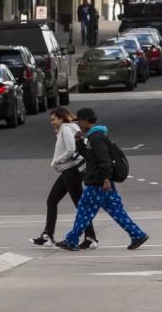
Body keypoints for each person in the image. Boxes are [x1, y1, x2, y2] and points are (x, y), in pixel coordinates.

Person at [56, 107, 148, 251]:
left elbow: (104, 161)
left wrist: (106, 179)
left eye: (79, 121)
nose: (78, 125)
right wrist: (80, 142)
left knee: (84, 210)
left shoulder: (96, 137)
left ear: (86, 120)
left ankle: (71, 240)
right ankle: (137, 235)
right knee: (115, 210)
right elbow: (90, 158)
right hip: (102, 182)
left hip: (98, 183)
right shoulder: (94, 136)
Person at [30, 108, 98, 249]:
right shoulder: (70, 128)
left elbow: (71, 149)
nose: (52, 122)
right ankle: (48, 235)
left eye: (54, 119)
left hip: (70, 171)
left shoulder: (66, 129)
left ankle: (90, 237)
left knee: (79, 205)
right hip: (68, 171)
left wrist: (57, 161)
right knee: (52, 201)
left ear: (61, 119)